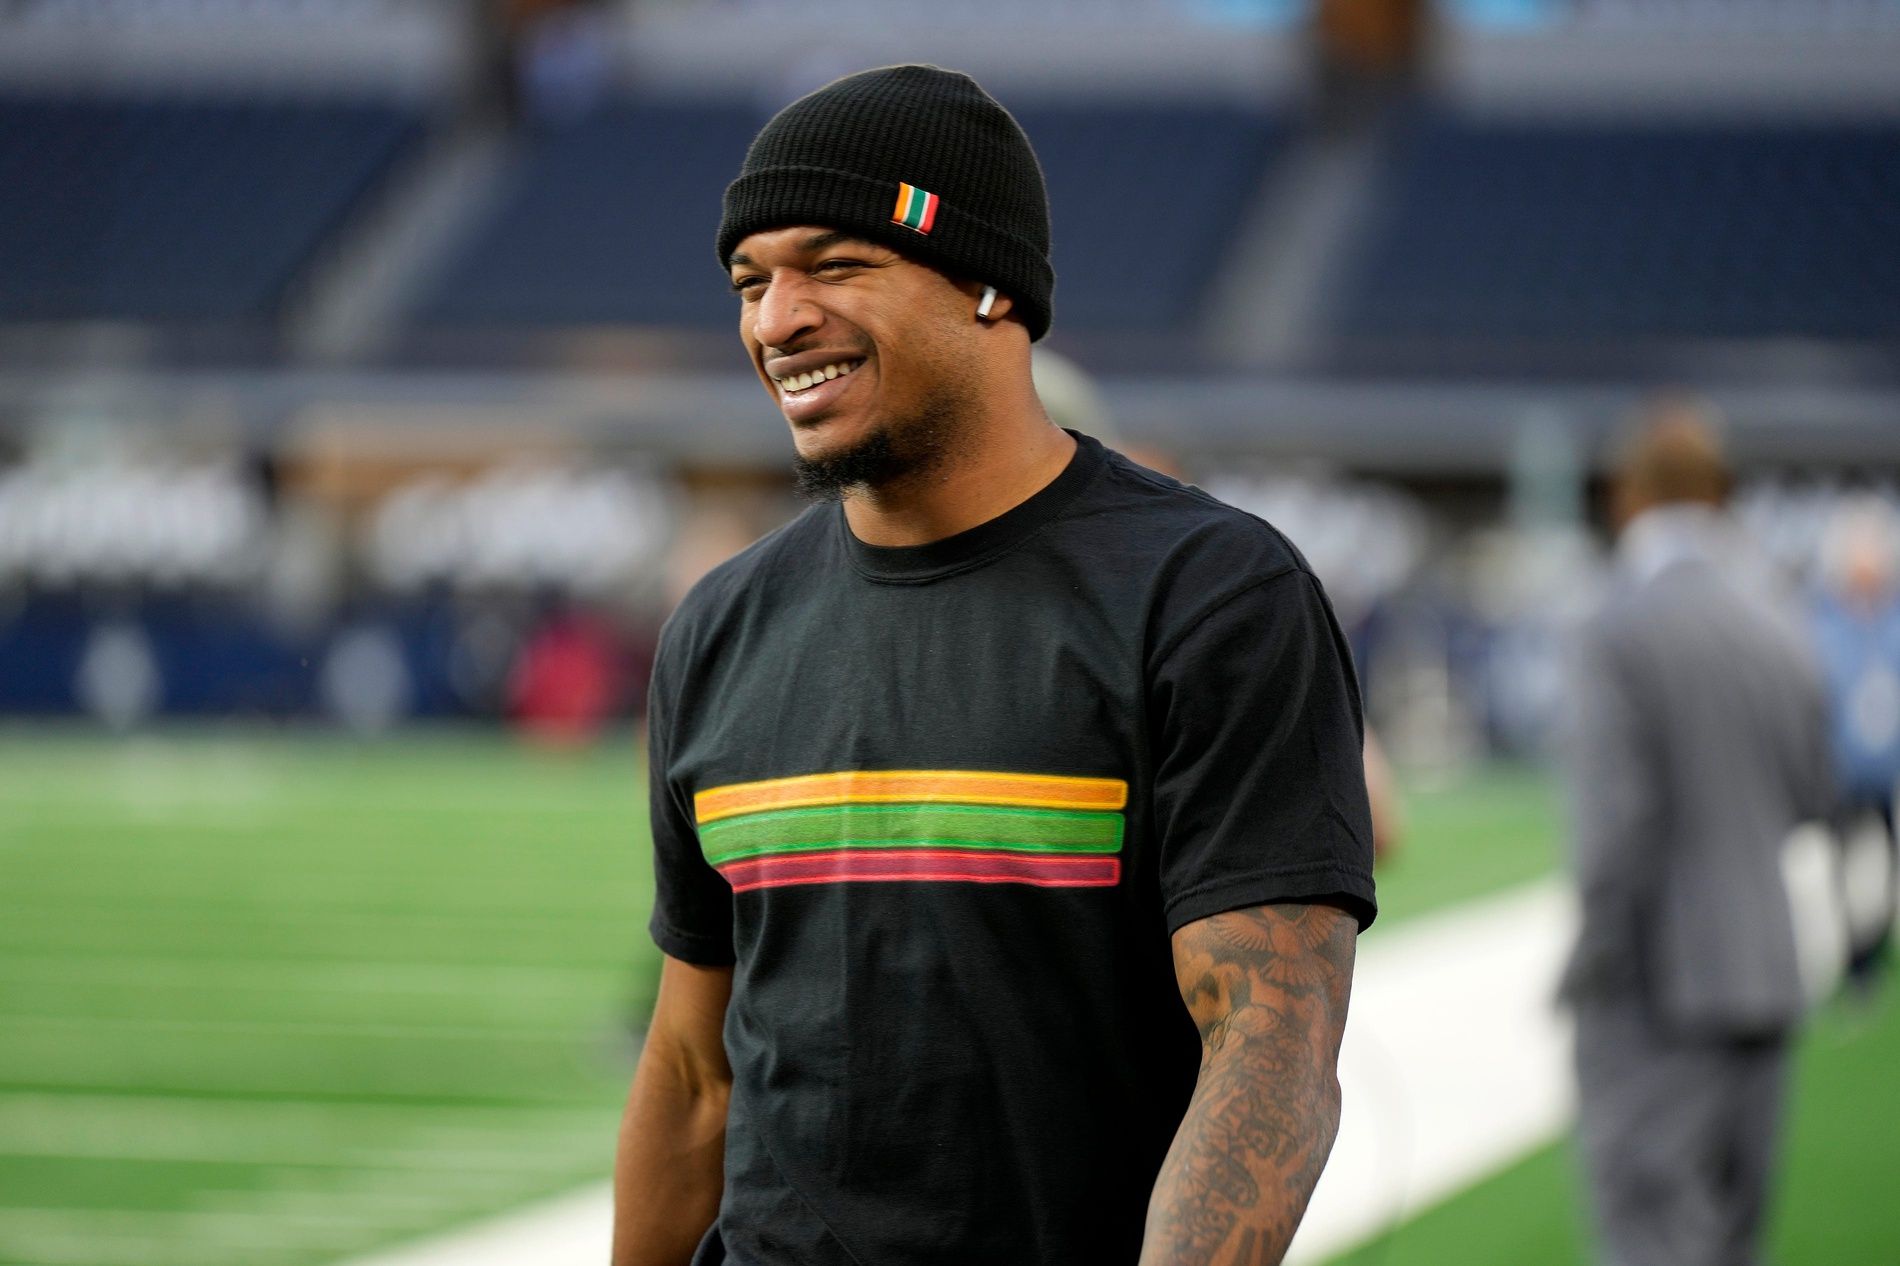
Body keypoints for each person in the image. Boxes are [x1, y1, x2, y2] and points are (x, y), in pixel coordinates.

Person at [613, 65, 1376, 1266]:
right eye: (750, 282)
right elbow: (692, 1071)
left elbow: (1268, 1044)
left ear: (986, 284)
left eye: (835, 265)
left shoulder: (1208, 596)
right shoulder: (720, 626)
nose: (775, 320)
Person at [1560, 404, 1833, 1266]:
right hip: (1765, 969)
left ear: (1627, 496)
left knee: (1653, 1234)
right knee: (1733, 1237)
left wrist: (1589, 966)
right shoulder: (1779, 622)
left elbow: (1615, 830)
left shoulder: (1616, 625)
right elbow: (1814, 797)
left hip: (1655, 982)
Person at [1811, 497, 1900, 994]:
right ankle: (1853, 955)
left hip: (1885, 771)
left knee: (1887, 868)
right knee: (1844, 868)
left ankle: (1877, 943)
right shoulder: (1825, 623)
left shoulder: (1893, 622)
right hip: (1842, 771)